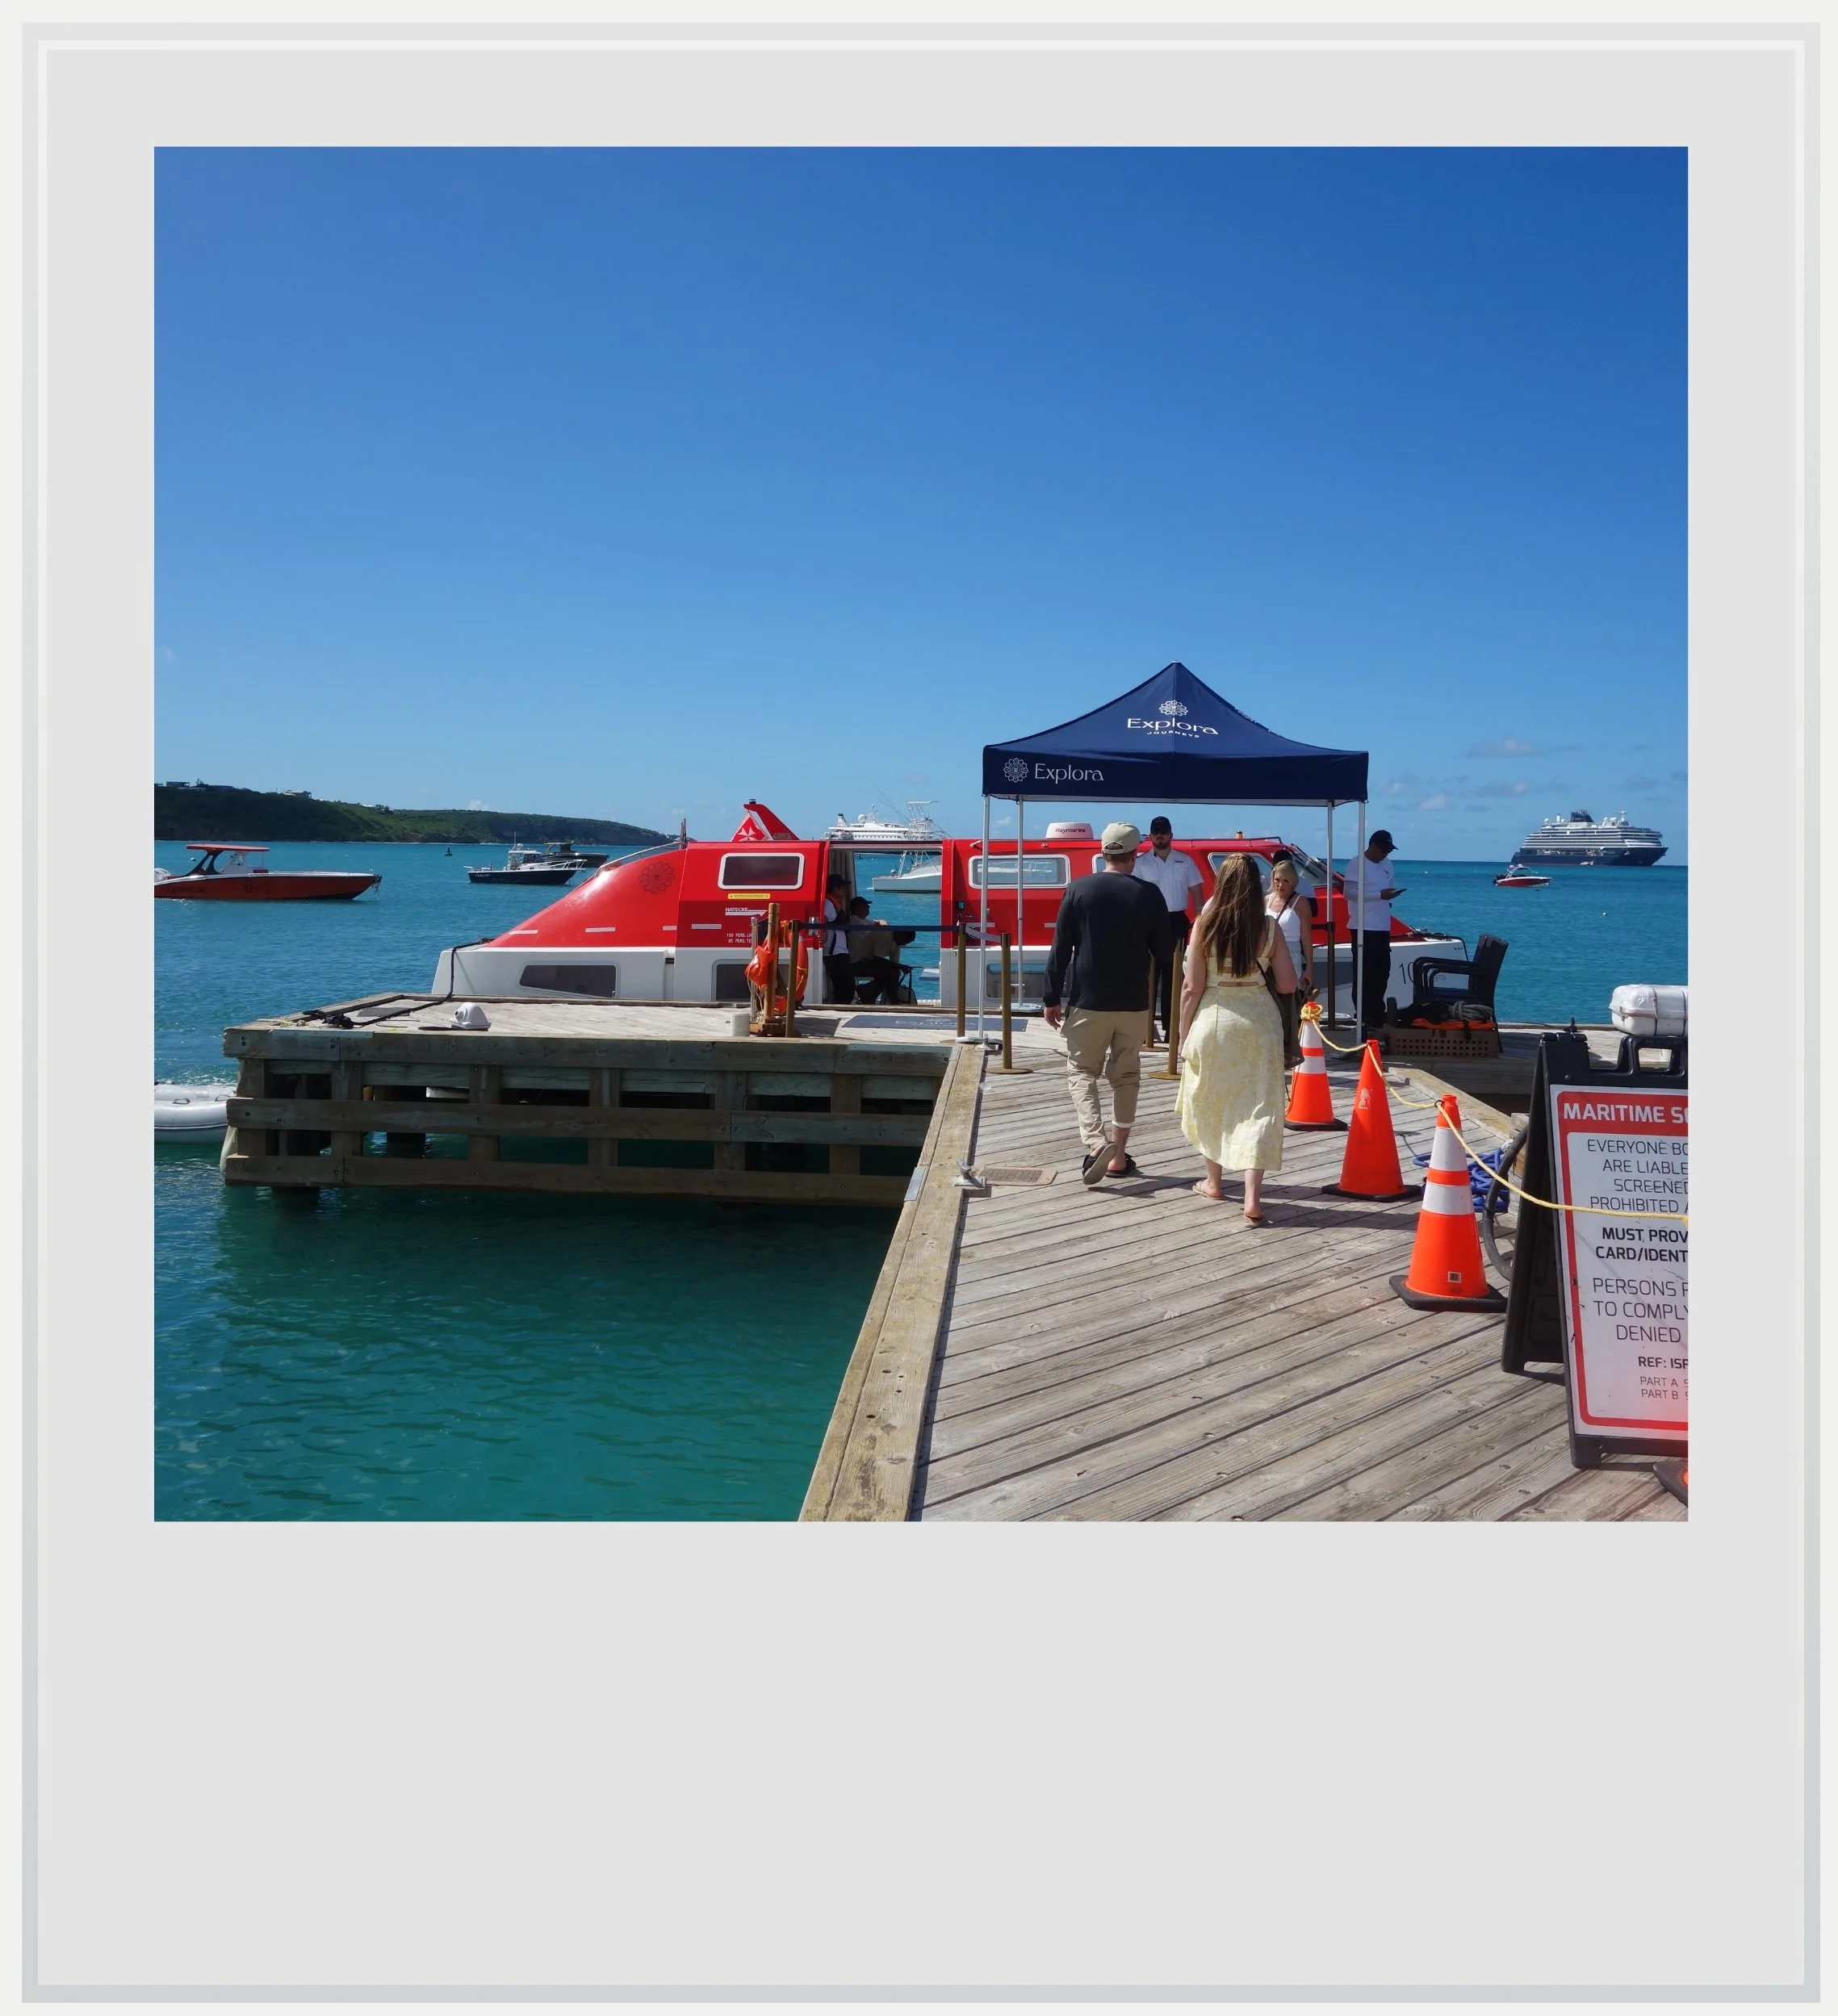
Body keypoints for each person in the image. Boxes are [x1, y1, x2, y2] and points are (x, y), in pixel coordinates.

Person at [1042, 822, 1174, 1186]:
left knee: (1082, 1072)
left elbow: (1061, 949)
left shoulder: (1079, 888)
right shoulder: (1150, 895)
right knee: (1127, 1076)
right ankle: (1117, 1156)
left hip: (1088, 999)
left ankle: (1096, 1143)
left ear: (1103, 853)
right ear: (1135, 855)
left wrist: (1051, 996)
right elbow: (1164, 953)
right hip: (1133, 1002)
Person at [1176, 852, 1296, 1222]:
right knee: (1259, 1106)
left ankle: (1214, 1183)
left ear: (1222, 884)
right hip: (1259, 1019)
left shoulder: (1204, 925)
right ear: (1257, 884)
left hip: (1215, 1016)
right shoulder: (1270, 927)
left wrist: (1182, 1037)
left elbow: (1192, 988)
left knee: (1212, 1098)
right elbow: (1288, 984)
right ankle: (1253, 1198)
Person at [1133, 816, 1205, 1040]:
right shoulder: (1141, 863)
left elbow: (1197, 895)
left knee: (1174, 979)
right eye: (1156, 832)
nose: (1160, 835)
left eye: (1164, 832)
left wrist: (1200, 925)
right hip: (1150, 923)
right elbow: (1135, 897)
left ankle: (1171, 1029)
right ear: (1151, 836)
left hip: (1176, 922)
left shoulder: (1185, 861)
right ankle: (1146, 1029)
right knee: (1148, 977)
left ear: (1171, 835)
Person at [1339, 830, 1400, 1039]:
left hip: (1383, 925)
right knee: (1363, 973)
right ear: (1372, 845)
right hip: (1363, 926)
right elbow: (1349, 894)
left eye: (1388, 851)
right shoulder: (1357, 863)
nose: (1384, 854)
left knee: (1382, 972)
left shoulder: (1387, 864)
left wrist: (1389, 895)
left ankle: (1377, 1011)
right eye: (1382, 850)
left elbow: (1389, 887)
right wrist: (1377, 896)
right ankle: (1363, 1013)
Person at [1265, 855, 1317, 1069]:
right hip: (1269, 957)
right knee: (1269, 1003)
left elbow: (1307, 939)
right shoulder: (1265, 900)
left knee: (1290, 1005)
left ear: (1293, 882)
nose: (1281, 884)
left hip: (1292, 955)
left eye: (1286, 880)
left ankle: (1289, 1050)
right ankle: (1271, 1048)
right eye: (1278, 880)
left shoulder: (1300, 902)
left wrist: (1309, 969)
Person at [845, 896, 911, 1002]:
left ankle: (869, 992)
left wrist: (884, 925)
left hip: (866, 960)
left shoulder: (864, 921)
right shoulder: (856, 922)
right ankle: (891, 1000)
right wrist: (899, 966)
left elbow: (880, 921)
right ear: (857, 908)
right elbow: (878, 958)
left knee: (891, 972)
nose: (868, 908)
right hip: (858, 962)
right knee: (890, 973)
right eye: (866, 906)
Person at [821, 874, 853, 1003]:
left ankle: (840, 1007)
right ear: (835, 888)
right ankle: (841, 1009)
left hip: (839, 952)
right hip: (834, 953)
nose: (845, 890)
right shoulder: (829, 905)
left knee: (845, 987)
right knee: (847, 988)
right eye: (843, 887)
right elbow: (821, 921)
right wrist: (823, 934)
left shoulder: (833, 904)